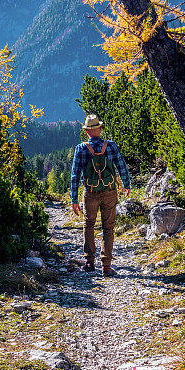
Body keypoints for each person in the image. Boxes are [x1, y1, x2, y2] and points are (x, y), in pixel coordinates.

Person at [70, 114, 131, 276]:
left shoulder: (81, 148)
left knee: (88, 225)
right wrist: (126, 184)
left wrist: (74, 199)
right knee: (108, 227)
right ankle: (106, 266)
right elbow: (121, 166)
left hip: (89, 193)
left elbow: (75, 175)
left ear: (87, 132)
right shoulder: (110, 146)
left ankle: (89, 262)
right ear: (100, 129)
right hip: (109, 191)